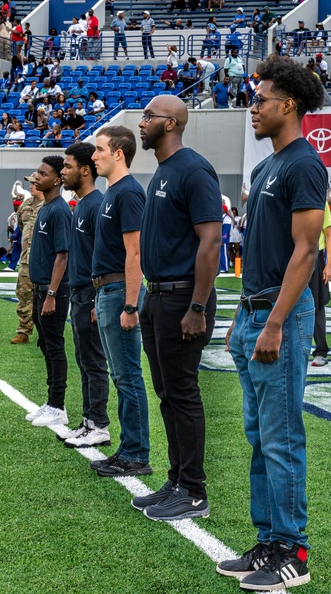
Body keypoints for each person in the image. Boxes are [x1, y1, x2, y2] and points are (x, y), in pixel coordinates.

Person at [218, 55, 327, 591]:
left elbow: (306, 252)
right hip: (252, 311)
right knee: (259, 435)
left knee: (281, 438)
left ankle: (293, 548)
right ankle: (268, 540)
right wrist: (248, 317)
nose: (252, 107)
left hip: (279, 316)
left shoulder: (305, 163)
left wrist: (276, 322)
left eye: (260, 99)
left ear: (290, 104)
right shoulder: (266, 167)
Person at [133, 95, 222, 520]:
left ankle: (194, 491)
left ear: (171, 124)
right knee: (167, 393)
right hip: (158, 296)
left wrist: (198, 306)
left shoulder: (193, 169)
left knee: (183, 393)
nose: (141, 122)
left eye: (149, 117)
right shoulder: (164, 171)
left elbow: (211, 240)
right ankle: (177, 479)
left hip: (183, 298)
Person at [88, 125, 152, 478]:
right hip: (107, 293)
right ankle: (128, 448)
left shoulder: (128, 193)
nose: (94, 156)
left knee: (128, 376)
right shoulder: (113, 191)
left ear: (118, 154)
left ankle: (137, 454)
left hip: (118, 294)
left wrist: (130, 305)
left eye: (99, 149)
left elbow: (135, 252)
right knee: (120, 376)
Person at [57, 143, 111, 448]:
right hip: (79, 294)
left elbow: (101, 257)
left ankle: (99, 424)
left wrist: (94, 299)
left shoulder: (95, 205)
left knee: (93, 361)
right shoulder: (82, 205)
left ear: (85, 170)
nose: (63, 172)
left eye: (67, 166)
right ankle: (89, 421)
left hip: (89, 294)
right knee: (84, 359)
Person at [22, 156, 73, 428]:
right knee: (45, 345)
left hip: (53, 291)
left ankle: (58, 404)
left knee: (55, 347)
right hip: (41, 289)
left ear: (57, 179)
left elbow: (63, 256)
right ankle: (51, 401)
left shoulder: (59, 211)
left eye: (43, 173)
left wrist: (52, 293)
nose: (37, 177)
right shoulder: (45, 207)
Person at [12, 174, 44, 344]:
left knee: (44, 296)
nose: (30, 186)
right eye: (30, 183)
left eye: (33, 183)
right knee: (24, 295)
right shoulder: (25, 205)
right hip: (26, 260)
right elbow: (21, 225)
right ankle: (24, 331)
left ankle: (45, 333)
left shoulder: (50, 205)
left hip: (45, 261)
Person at [309, 203, 331, 367]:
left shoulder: (321, 203)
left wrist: (328, 265)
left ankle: (321, 351)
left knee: (317, 305)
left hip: (316, 258)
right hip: (293, 256)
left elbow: (329, 236)